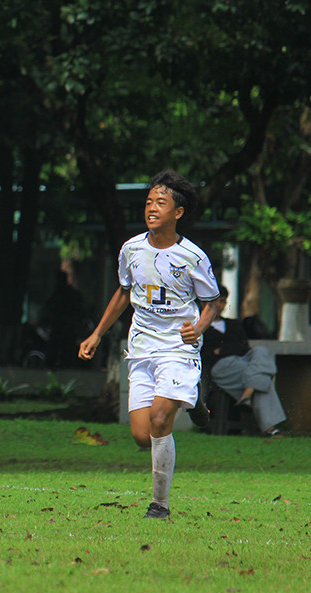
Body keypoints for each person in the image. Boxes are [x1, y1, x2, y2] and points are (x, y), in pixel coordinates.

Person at [78, 170, 221, 520]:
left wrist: (199, 327)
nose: (152, 208)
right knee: (143, 436)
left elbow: (214, 302)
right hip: (141, 348)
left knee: (159, 420)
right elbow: (124, 293)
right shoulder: (131, 249)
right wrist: (97, 334)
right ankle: (195, 401)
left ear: (178, 212)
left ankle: (160, 505)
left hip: (177, 348)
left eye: (161, 202)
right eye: (148, 202)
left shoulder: (193, 256)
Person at [202, 285, 285, 437]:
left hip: (242, 363)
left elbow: (244, 348)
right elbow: (207, 354)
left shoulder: (234, 325)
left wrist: (221, 350)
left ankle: (248, 393)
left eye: (222, 301)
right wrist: (228, 348)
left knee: (261, 351)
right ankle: (269, 427)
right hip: (222, 368)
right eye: (214, 301)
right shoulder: (201, 328)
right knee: (262, 378)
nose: (218, 305)